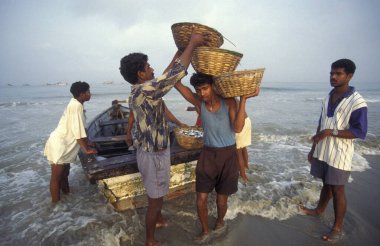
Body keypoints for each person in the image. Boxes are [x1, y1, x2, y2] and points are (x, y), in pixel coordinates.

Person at [119, 32, 207, 246]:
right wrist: (193, 44)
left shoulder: (140, 90)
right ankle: (150, 240)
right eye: (148, 67)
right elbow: (173, 76)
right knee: (155, 199)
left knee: (155, 193)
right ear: (141, 74)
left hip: (152, 151)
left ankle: (157, 219)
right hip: (153, 154)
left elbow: (165, 76)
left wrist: (178, 53)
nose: (152, 69)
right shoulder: (147, 90)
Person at [174, 73, 259, 241]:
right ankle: (205, 230)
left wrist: (243, 99)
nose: (201, 93)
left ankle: (220, 221)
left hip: (228, 155)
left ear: (213, 86)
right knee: (201, 198)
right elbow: (176, 83)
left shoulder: (229, 102)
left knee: (221, 200)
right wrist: (185, 50)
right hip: (207, 155)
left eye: (205, 88)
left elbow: (238, 128)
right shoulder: (199, 103)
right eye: (198, 90)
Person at [300, 59, 368, 241]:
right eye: (332, 73)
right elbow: (321, 124)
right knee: (326, 183)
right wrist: (313, 148)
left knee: (338, 189)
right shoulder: (327, 97)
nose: (333, 76)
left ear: (349, 76)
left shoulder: (357, 101)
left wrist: (331, 132)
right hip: (323, 150)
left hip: (340, 153)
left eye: (338, 73)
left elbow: (359, 131)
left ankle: (337, 228)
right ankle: (319, 210)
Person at [44, 81, 97, 203]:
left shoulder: (77, 104)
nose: (90, 94)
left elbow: (81, 128)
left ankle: (66, 196)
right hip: (60, 145)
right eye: (88, 92)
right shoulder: (76, 106)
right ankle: (56, 206)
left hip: (65, 144)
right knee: (56, 177)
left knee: (65, 173)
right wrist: (86, 149)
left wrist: (87, 141)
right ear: (82, 94)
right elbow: (77, 132)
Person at [234, 98, 252, 183]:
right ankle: (246, 166)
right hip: (247, 120)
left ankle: (243, 175)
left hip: (241, 124)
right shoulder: (234, 98)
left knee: (238, 151)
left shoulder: (228, 100)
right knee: (243, 147)